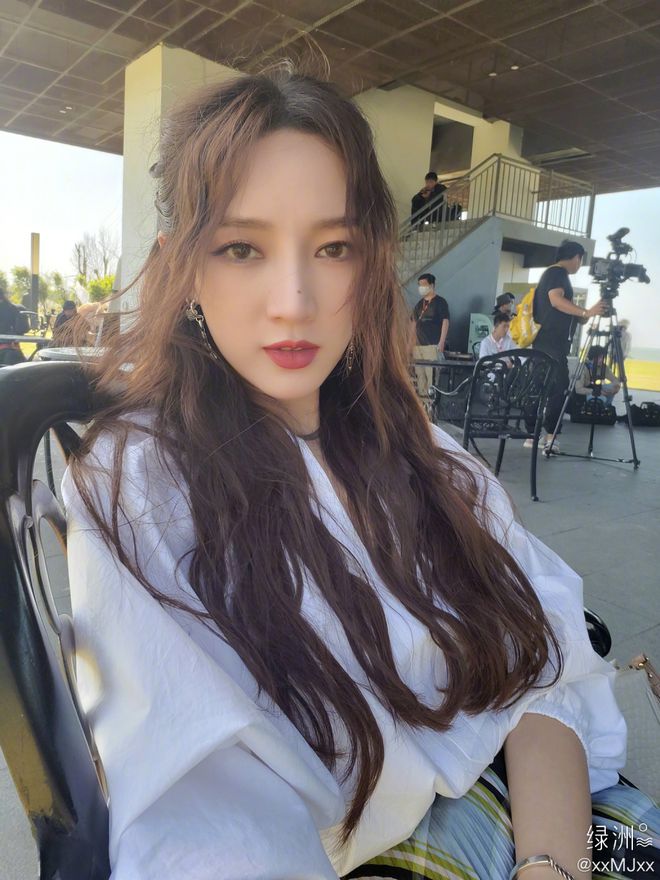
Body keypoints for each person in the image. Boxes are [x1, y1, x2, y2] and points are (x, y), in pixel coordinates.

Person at [63, 71, 657, 880]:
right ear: (185, 267)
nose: (294, 300)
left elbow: (540, 669)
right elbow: (204, 823)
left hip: (550, 826)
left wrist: (550, 864)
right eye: (242, 248)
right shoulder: (145, 483)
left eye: (333, 248)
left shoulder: (425, 454)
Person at [532, 241, 605, 453]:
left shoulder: (552, 273)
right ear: (576, 257)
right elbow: (555, 300)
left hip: (546, 342)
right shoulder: (558, 273)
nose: (580, 265)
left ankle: (533, 434)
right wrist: (585, 312)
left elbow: (559, 308)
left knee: (543, 387)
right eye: (580, 260)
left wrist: (584, 315)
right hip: (552, 343)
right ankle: (550, 436)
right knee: (559, 388)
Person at [411, 272, 450, 398]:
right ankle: (423, 404)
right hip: (418, 346)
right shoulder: (419, 304)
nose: (421, 287)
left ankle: (432, 403)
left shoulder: (440, 302)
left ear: (432, 285)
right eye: (419, 285)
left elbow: (445, 321)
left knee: (432, 377)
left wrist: (442, 342)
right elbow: (413, 324)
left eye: (423, 284)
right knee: (420, 376)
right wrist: (410, 343)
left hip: (432, 346)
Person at [0, 287, 28, 365]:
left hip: (6, 345)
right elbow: (22, 329)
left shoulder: (10, 308)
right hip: (12, 343)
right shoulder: (13, 307)